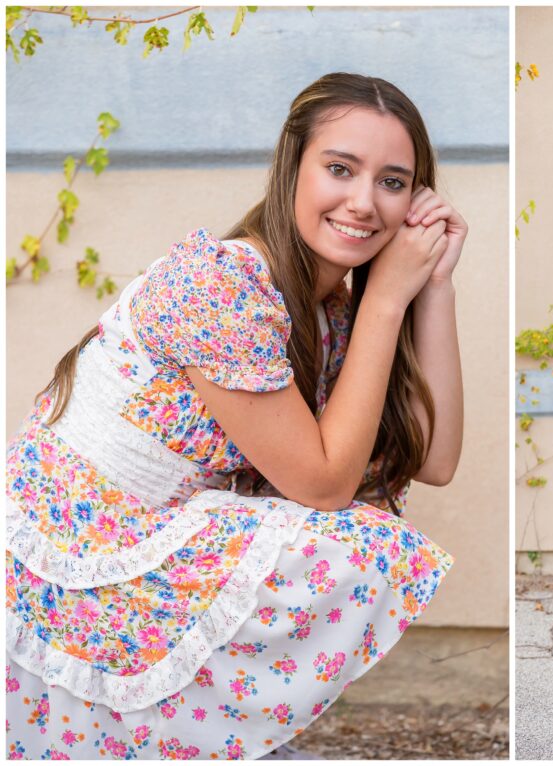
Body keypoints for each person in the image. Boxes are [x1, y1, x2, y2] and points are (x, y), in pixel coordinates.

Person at [6, 72, 465, 759]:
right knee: (356, 544)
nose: (364, 202)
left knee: (361, 537)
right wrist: (386, 299)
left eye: (393, 182)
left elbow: (436, 459)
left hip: (151, 532)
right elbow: (323, 484)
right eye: (340, 168)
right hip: (73, 546)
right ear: (293, 167)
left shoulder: (329, 311)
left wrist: (433, 287)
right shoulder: (221, 285)